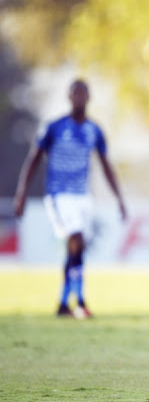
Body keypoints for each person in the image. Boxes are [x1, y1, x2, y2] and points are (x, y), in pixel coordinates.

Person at [14, 79, 127, 319]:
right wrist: (22, 193)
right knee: (75, 239)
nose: (79, 98)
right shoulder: (54, 127)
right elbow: (33, 160)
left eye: (83, 94)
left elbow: (106, 166)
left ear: (89, 98)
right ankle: (81, 301)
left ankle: (64, 303)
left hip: (82, 196)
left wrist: (119, 199)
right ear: (69, 97)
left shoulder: (94, 130)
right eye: (75, 94)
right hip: (58, 194)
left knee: (77, 249)